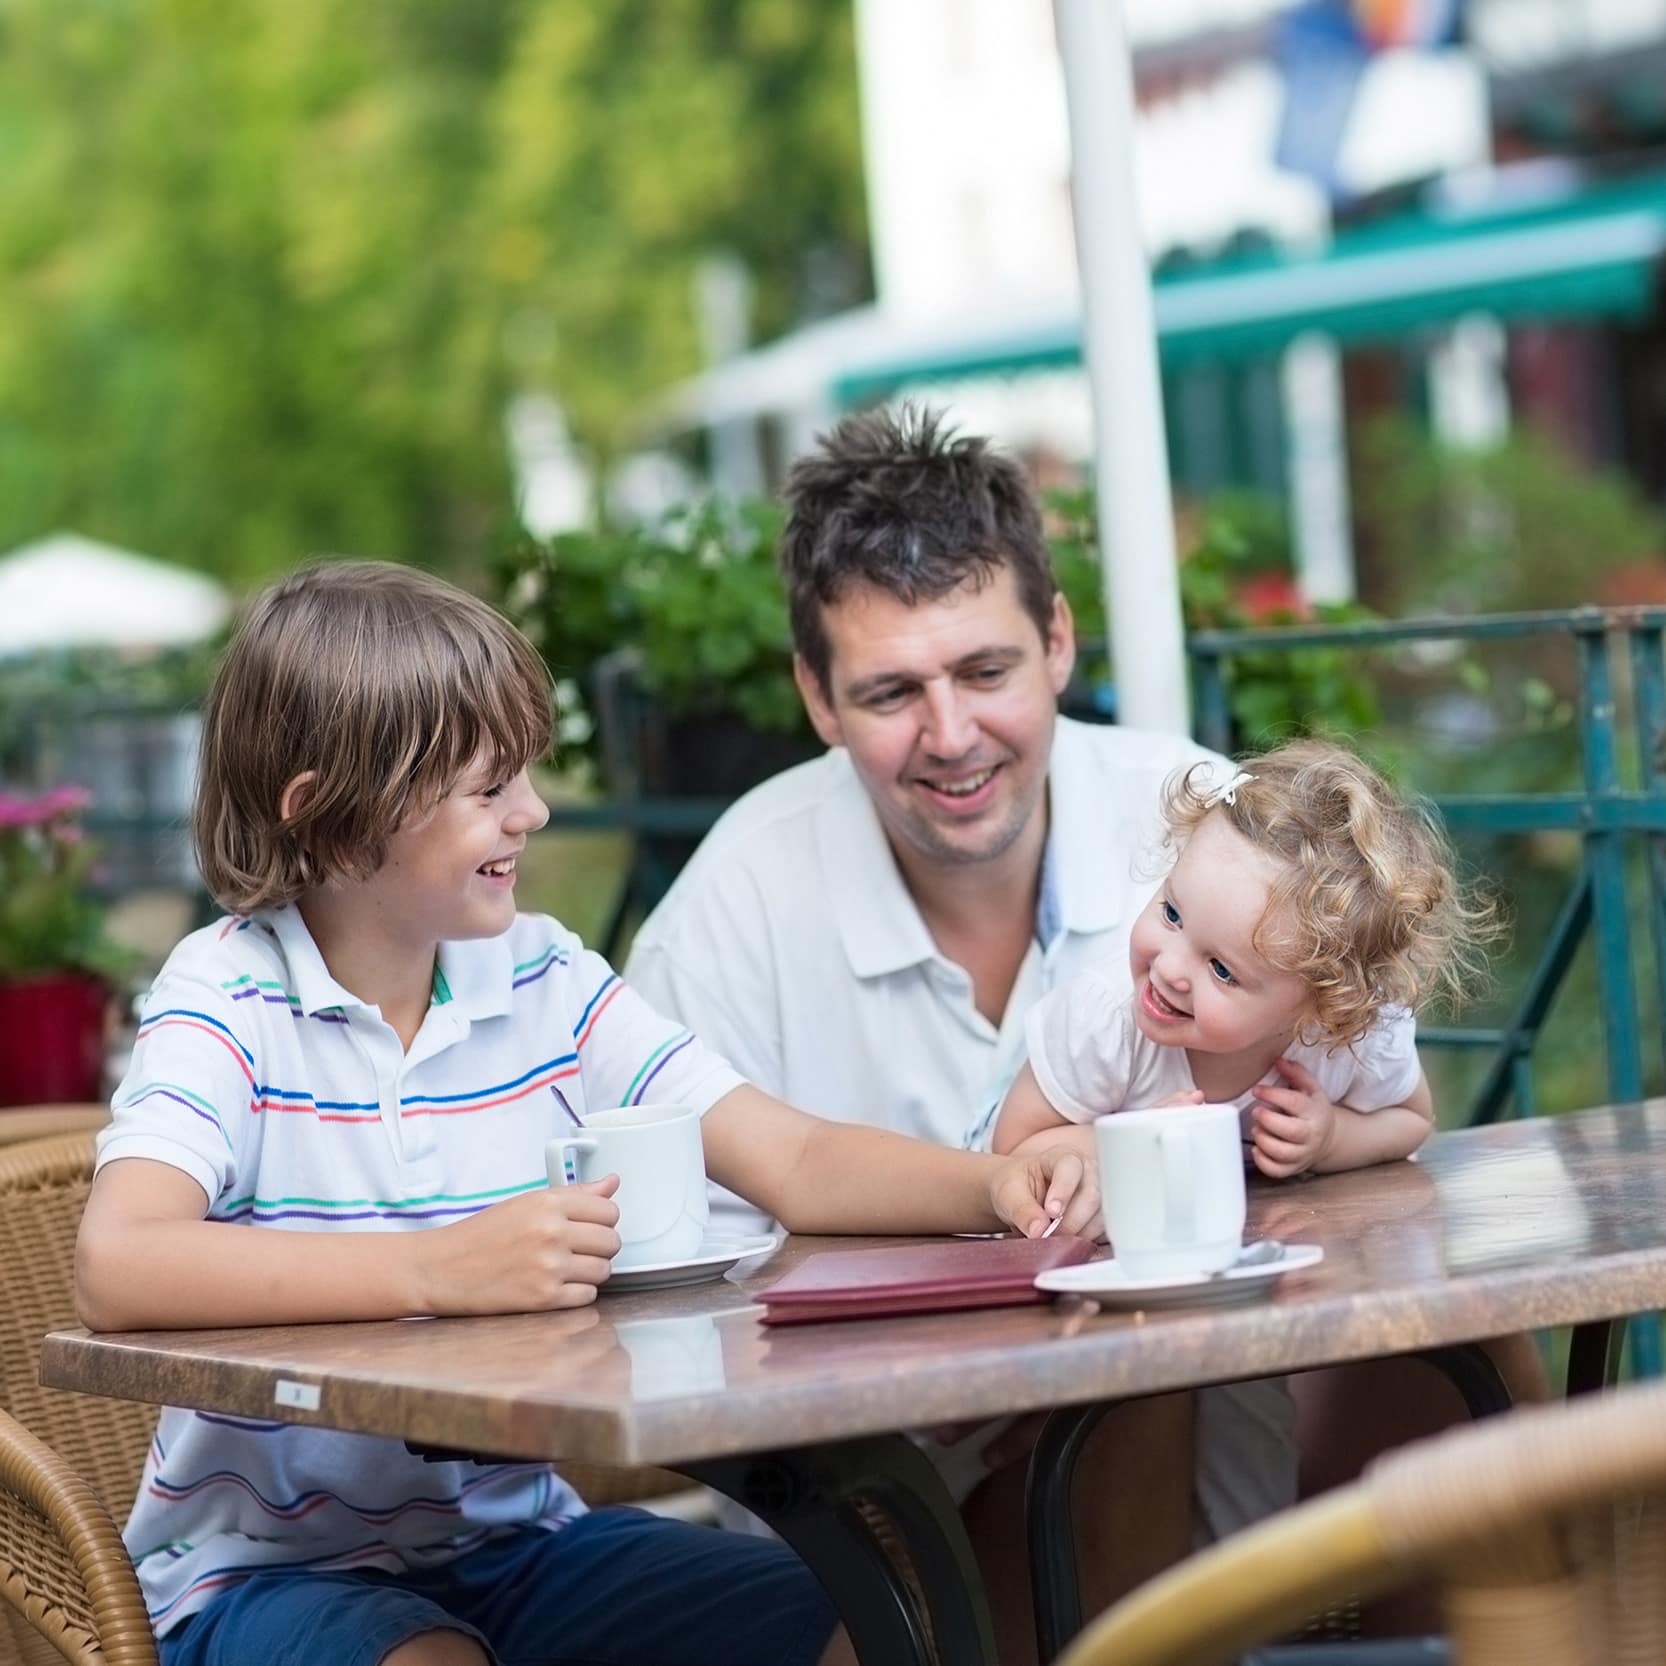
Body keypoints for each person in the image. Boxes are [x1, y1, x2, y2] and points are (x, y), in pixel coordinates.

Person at [74, 560, 1088, 1666]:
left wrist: (989, 1184)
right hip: (260, 1576)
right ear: (324, 813)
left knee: (879, 1615)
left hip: (520, 1545)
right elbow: (123, 1260)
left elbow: (789, 1156)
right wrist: (433, 1273)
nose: (534, 810)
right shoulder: (225, 995)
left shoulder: (542, 975)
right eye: (487, 788)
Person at [625, 404, 1232, 1656]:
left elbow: (1362, 1116)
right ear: (814, 697)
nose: (950, 735)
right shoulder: (726, 917)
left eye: (985, 671)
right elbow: (673, 1330)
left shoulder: (1199, 830)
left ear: (1058, 641)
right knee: (1119, 1392)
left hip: (1220, 1424)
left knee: (1462, 1374)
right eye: (892, 691)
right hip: (871, 1503)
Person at [992, 739, 1494, 1177]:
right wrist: (1128, 1144)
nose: (1168, 969)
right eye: (1171, 913)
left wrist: (1332, 1139)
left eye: (1222, 970)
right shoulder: (1107, 1018)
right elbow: (1012, 1146)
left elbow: (1411, 1121)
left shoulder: (1352, 1039)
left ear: (1323, 1009)